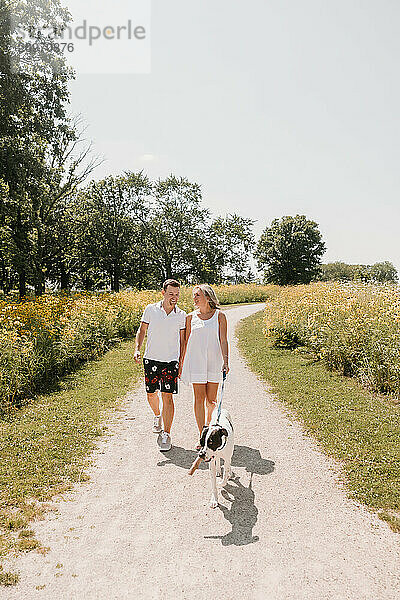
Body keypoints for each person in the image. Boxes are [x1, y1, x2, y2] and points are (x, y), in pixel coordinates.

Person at [134, 279, 186, 452]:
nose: (174, 297)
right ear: (163, 293)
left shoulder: (181, 315)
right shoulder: (150, 309)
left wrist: (181, 362)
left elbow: (182, 341)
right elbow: (142, 331)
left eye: (177, 294)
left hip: (171, 361)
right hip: (151, 359)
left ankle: (167, 433)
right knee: (151, 394)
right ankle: (157, 415)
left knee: (168, 396)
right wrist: (137, 349)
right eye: (171, 293)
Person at [179, 284, 229, 449]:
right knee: (199, 399)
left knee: (211, 401)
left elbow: (223, 340)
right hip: (197, 363)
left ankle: (210, 429)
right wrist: (181, 364)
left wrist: (226, 361)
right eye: (194, 295)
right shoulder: (189, 317)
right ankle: (202, 435)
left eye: (197, 295)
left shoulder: (219, 316)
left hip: (214, 362)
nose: (194, 298)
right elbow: (185, 343)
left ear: (208, 298)